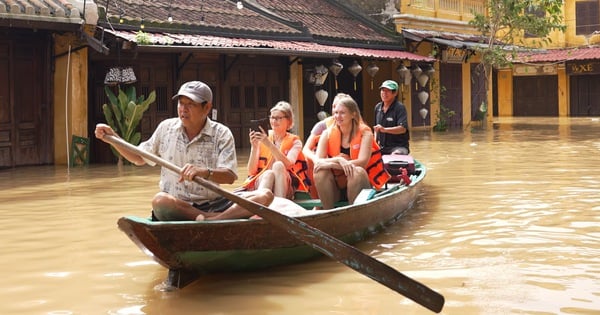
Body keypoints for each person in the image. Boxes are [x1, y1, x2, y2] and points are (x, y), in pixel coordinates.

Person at [95, 80, 287, 221]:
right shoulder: (166, 128)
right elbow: (138, 158)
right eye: (181, 104)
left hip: (215, 204)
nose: (183, 110)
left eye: (191, 105)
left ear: (207, 107)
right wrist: (114, 138)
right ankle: (212, 219)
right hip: (178, 205)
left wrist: (204, 172)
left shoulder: (221, 133)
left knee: (265, 196)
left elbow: (229, 176)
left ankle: (213, 220)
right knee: (160, 201)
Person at [312, 94, 390, 209]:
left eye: (342, 113)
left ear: (353, 114)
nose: (338, 116)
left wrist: (333, 164)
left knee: (357, 171)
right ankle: (329, 213)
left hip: (359, 184)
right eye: (336, 113)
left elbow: (362, 162)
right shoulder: (326, 134)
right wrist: (339, 160)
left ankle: (353, 213)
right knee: (319, 172)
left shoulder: (365, 133)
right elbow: (318, 162)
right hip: (336, 186)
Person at [243, 101, 310, 198]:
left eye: (278, 118)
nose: (274, 121)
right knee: (269, 174)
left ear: (289, 121)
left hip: (285, 185)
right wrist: (254, 147)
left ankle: (279, 205)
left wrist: (269, 145)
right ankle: (259, 206)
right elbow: (251, 171)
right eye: (272, 117)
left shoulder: (295, 142)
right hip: (264, 181)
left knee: (278, 165)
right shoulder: (263, 138)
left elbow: (288, 164)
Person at [302, 93, 344, 198]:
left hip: (345, 169)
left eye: (340, 108)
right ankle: (317, 200)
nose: (336, 111)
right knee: (311, 162)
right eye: (334, 107)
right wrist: (316, 159)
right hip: (325, 165)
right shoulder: (322, 126)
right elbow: (306, 149)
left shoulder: (356, 127)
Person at [373, 80, 410, 155]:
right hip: (382, 147)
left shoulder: (400, 108)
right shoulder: (378, 107)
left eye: (388, 91)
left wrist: (384, 130)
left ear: (395, 93)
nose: (384, 93)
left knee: (395, 155)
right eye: (383, 90)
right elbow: (376, 130)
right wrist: (374, 145)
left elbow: (402, 129)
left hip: (398, 147)